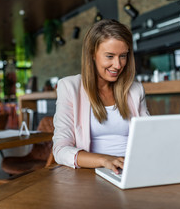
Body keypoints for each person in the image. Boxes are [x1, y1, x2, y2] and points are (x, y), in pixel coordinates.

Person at [53, 19, 150, 174]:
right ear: (92, 53)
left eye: (123, 56)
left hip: (134, 169)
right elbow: (60, 150)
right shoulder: (69, 87)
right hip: (93, 173)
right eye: (110, 56)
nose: (118, 65)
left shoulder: (135, 90)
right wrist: (105, 160)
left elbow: (149, 137)